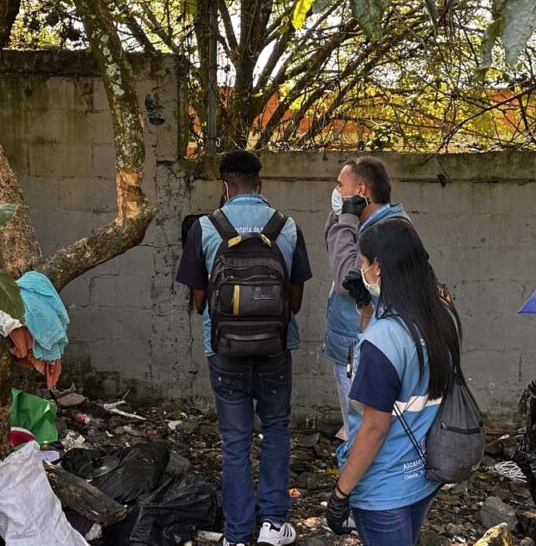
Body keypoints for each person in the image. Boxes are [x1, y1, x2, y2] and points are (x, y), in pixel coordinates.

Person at [176, 150, 312, 546]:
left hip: (223, 349)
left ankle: (236, 534)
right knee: (276, 428)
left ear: (224, 185)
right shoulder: (286, 227)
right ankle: (273, 524)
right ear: (261, 184)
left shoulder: (205, 228)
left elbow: (200, 301)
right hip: (275, 348)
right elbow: (296, 301)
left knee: (234, 439)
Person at [325, 218, 459, 546]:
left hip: (384, 485)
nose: (362, 270)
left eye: (363, 263)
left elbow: (374, 427)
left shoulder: (383, 341)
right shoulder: (443, 315)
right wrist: (366, 311)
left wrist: (341, 492)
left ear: (379, 268)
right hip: (424, 474)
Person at [324, 156, 408, 442]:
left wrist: (345, 219)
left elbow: (348, 278)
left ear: (360, 191)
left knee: (363, 434)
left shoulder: (385, 231)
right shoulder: (365, 224)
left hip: (362, 349)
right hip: (351, 343)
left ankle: (354, 485)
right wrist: (342, 218)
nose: (335, 192)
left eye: (340, 185)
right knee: (356, 428)